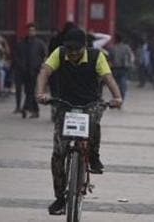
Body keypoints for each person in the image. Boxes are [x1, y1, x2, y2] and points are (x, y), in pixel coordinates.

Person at [35, 27, 123, 215]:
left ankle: (94, 156)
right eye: (70, 49)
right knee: (59, 153)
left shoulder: (96, 56)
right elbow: (45, 71)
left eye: (77, 49)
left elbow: (108, 78)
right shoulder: (58, 54)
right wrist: (40, 93)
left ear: (84, 46)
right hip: (64, 104)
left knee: (95, 122)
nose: (73, 53)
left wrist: (117, 97)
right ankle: (60, 198)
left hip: (90, 103)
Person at [12, 23, 47, 118]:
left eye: (32, 30)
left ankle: (25, 108)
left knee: (30, 91)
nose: (30, 32)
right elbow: (16, 56)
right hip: (23, 71)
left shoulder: (39, 43)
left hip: (34, 71)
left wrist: (40, 66)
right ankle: (34, 110)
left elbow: (44, 56)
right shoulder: (21, 43)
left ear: (35, 31)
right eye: (29, 30)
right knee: (29, 92)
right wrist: (19, 65)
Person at [108, 33, 134, 104]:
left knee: (115, 85)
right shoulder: (127, 47)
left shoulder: (112, 48)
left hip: (114, 68)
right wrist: (130, 65)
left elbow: (109, 59)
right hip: (124, 68)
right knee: (123, 84)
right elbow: (130, 57)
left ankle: (116, 98)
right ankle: (121, 99)